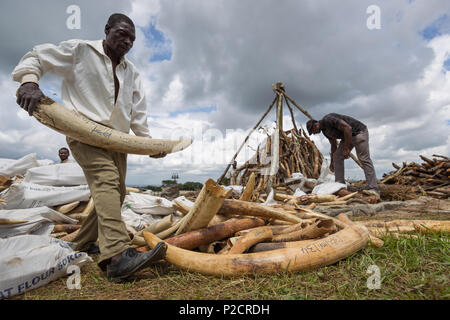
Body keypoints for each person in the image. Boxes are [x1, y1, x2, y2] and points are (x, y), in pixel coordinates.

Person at [12, 13, 167, 282]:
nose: (127, 41)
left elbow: (137, 112)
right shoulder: (80, 51)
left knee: (116, 193)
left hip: (118, 140)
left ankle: (84, 243)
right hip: (84, 131)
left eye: (132, 38)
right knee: (106, 180)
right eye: (122, 34)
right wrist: (29, 80)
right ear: (107, 30)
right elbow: (37, 56)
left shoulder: (132, 71)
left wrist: (148, 142)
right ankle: (117, 257)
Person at [306, 113, 380, 196]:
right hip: (347, 137)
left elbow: (348, 128)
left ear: (316, 125)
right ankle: (339, 186)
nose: (314, 133)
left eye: (313, 131)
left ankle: (374, 189)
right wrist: (332, 162)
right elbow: (333, 146)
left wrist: (347, 148)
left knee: (364, 158)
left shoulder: (328, 119)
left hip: (359, 132)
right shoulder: (325, 131)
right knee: (337, 156)